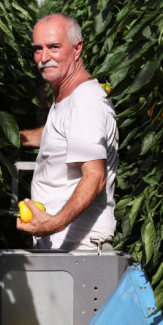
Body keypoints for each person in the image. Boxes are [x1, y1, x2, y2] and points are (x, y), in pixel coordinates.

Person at [17, 13, 118, 250]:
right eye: (38, 49)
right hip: (65, 248)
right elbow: (61, 134)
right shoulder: (68, 95)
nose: (44, 57)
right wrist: (16, 138)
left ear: (77, 48)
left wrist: (53, 224)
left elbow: (95, 176)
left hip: (77, 249)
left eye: (54, 47)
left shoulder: (83, 102)